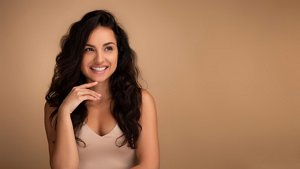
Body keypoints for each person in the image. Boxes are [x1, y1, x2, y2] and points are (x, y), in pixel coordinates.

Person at [44, 10, 159, 169]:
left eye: (108, 48)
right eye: (89, 49)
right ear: (77, 54)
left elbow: (149, 165)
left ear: (119, 52)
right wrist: (64, 112)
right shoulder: (55, 106)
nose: (99, 59)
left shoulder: (141, 100)